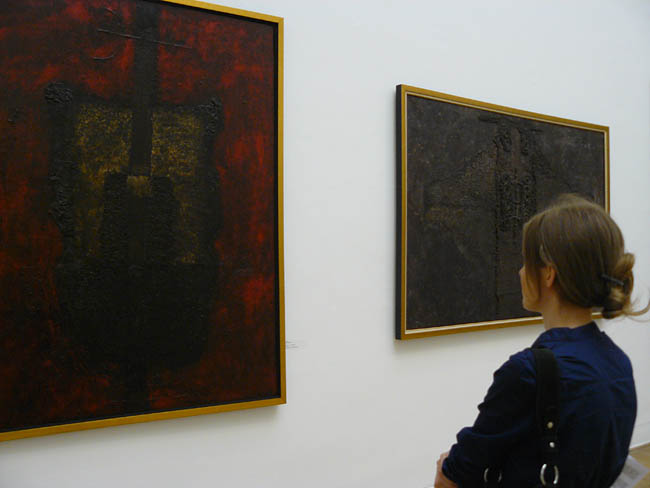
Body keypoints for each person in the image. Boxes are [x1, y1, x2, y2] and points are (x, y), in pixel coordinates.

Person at [434, 194, 648, 487]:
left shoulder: (528, 372)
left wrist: (447, 467)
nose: (521, 272)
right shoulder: (618, 362)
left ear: (548, 274)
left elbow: (451, 476)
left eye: (526, 261)